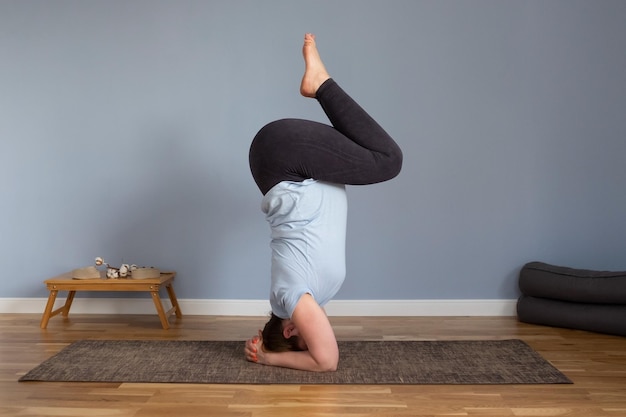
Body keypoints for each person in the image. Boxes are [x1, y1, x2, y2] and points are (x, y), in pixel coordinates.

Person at [245, 33, 402, 371]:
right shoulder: (308, 295)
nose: (321, 335)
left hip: (284, 161)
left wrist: (269, 357)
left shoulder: (292, 298)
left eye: (304, 341)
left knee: (388, 160)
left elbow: (326, 360)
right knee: (374, 153)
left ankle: (320, 83)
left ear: (290, 329)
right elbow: (317, 341)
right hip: (285, 161)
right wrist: (266, 339)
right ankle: (319, 84)